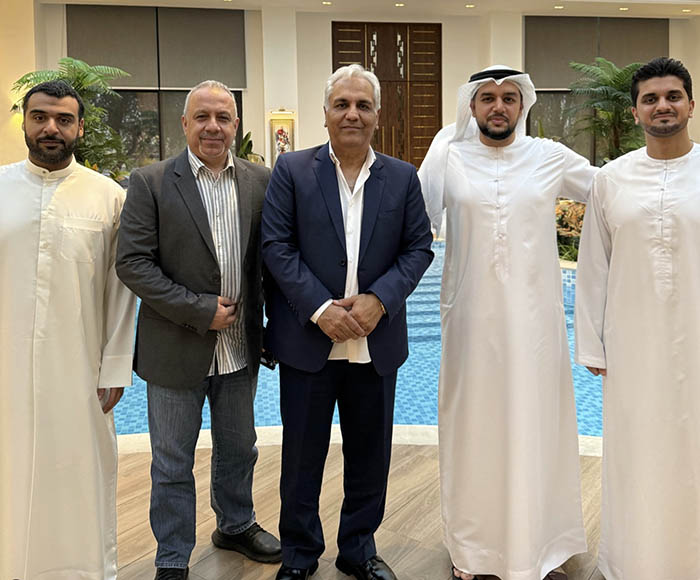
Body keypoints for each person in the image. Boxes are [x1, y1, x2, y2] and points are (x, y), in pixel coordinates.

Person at [418, 65, 597, 580]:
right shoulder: (447, 154)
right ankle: (473, 550)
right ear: (472, 105)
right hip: (469, 325)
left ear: (523, 106)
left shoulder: (548, 156)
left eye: (510, 98)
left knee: (536, 425)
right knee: (473, 430)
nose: (499, 107)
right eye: (488, 98)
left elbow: (610, 192)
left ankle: (541, 548)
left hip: (535, 329)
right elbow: (410, 220)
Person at [262, 64, 434, 580]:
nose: (352, 114)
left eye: (362, 105)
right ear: (325, 114)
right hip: (308, 341)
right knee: (301, 457)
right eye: (342, 104)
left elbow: (418, 248)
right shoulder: (292, 170)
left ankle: (358, 549)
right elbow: (276, 246)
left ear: (378, 114)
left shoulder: (402, 177)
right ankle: (299, 555)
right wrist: (320, 309)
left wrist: (379, 300)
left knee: (370, 456)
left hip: (374, 343)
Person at [116, 80, 280, 580]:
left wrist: (276, 327)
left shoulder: (261, 180)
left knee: (240, 449)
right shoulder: (150, 182)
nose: (213, 127)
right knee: (171, 461)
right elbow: (133, 264)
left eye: (223, 117)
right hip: (174, 348)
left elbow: (271, 262)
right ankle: (172, 556)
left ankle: (235, 524)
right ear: (185, 123)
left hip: (238, 349)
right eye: (202, 117)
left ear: (236, 125)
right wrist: (198, 309)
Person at [0, 80, 136, 580]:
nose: (50, 128)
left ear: (80, 127)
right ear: (25, 122)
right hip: (6, 367)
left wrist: (114, 366)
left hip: (79, 369)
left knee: (79, 473)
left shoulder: (109, 198)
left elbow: (122, 291)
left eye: (63, 119)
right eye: (40, 117)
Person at [575, 56, 699, 580]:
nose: (662, 106)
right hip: (631, 347)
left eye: (672, 96)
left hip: (695, 343)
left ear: (691, 105)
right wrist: (592, 343)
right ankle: (633, 562)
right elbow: (593, 265)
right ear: (635, 113)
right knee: (635, 452)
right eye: (650, 99)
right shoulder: (612, 179)